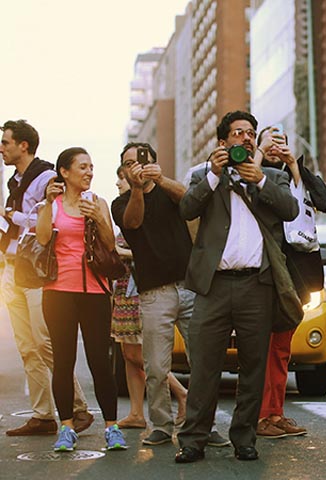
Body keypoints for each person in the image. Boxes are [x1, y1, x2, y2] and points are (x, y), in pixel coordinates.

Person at [175, 111, 298, 464]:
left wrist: (259, 180)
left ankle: (245, 437)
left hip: (255, 284)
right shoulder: (205, 175)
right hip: (213, 285)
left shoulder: (272, 176)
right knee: (204, 366)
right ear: (223, 142)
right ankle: (194, 439)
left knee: (253, 365)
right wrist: (214, 174)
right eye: (238, 132)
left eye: (250, 133)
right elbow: (186, 208)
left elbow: (290, 210)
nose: (245, 137)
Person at [0, 120, 93, 437]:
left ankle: (78, 408)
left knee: (45, 342)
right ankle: (42, 415)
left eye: (6, 142)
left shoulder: (46, 177)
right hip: (13, 266)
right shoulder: (15, 180)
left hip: (39, 270)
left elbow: (48, 222)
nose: (2, 148)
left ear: (23, 146)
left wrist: (12, 216)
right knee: (27, 346)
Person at [35, 147, 126, 451]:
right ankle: (67, 427)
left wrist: (99, 218)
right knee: (63, 361)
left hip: (95, 292)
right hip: (58, 292)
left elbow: (111, 245)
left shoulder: (97, 203)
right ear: (65, 172)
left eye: (91, 167)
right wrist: (47, 204)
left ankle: (112, 428)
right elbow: (44, 238)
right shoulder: (53, 205)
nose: (89, 172)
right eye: (83, 167)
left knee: (100, 360)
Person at [111, 142, 199, 446]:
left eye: (140, 160)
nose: (134, 167)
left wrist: (160, 179)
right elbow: (133, 222)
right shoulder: (121, 202)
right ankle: (161, 425)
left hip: (190, 287)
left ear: (153, 161)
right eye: (127, 163)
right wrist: (137, 188)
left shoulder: (168, 189)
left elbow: (191, 201)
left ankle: (202, 424)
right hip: (153, 294)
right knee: (156, 367)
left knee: (202, 361)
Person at [254, 125, 326, 438]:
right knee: (259, 350)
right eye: (268, 141)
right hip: (258, 272)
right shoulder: (248, 172)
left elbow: (321, 201)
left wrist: (295, 166)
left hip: (292, 275)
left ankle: (275, 413)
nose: (275, 146)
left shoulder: (300, 173)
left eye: (281, 141)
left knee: (281, 349)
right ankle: (260, 416)